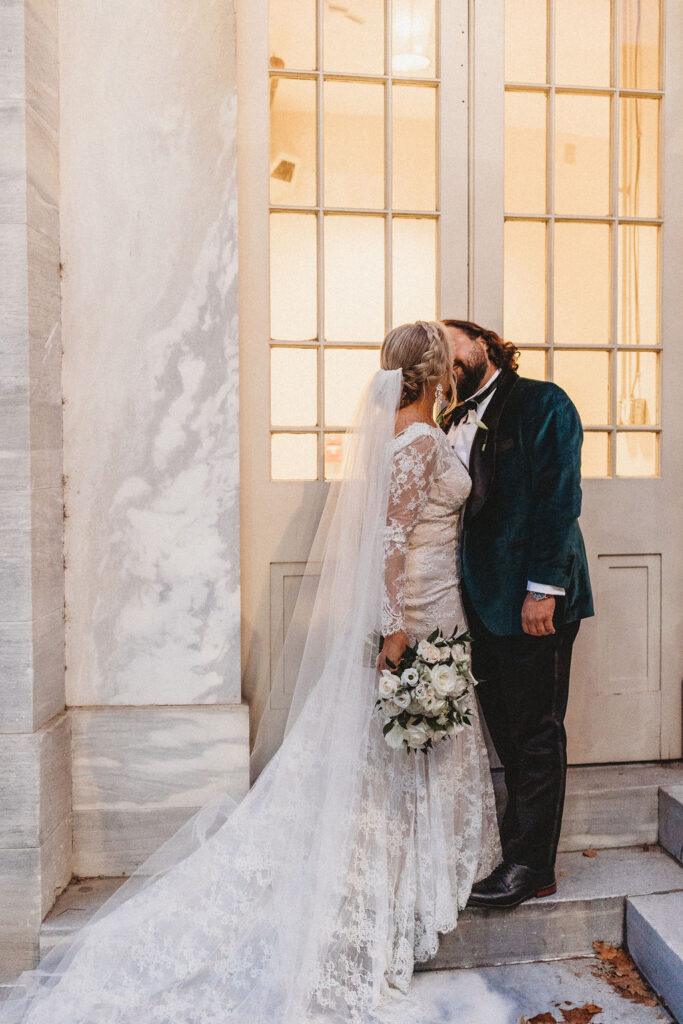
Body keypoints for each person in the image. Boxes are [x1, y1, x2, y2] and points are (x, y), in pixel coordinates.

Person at [0, 321, 500, 1024]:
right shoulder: (417, 441)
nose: (455, 366)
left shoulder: (408, 434)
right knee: (397, 747)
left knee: (401, 749)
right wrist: (395, 630)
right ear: (435, 371)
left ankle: (410, 879)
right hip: (417, 610)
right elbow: (389, 542)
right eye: (448, 360)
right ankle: (392, 889)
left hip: (432, 599)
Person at [439, 319, 594, 910]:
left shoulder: (543, 403)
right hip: (478, 601)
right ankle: (517, 847)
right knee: (507, 730)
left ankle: (531, 866)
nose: (445, 354)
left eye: (451, 340)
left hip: (534, 601)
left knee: (534, 733)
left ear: (484, 342)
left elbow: (559, 499)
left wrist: (542, 590)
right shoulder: (449, 415)